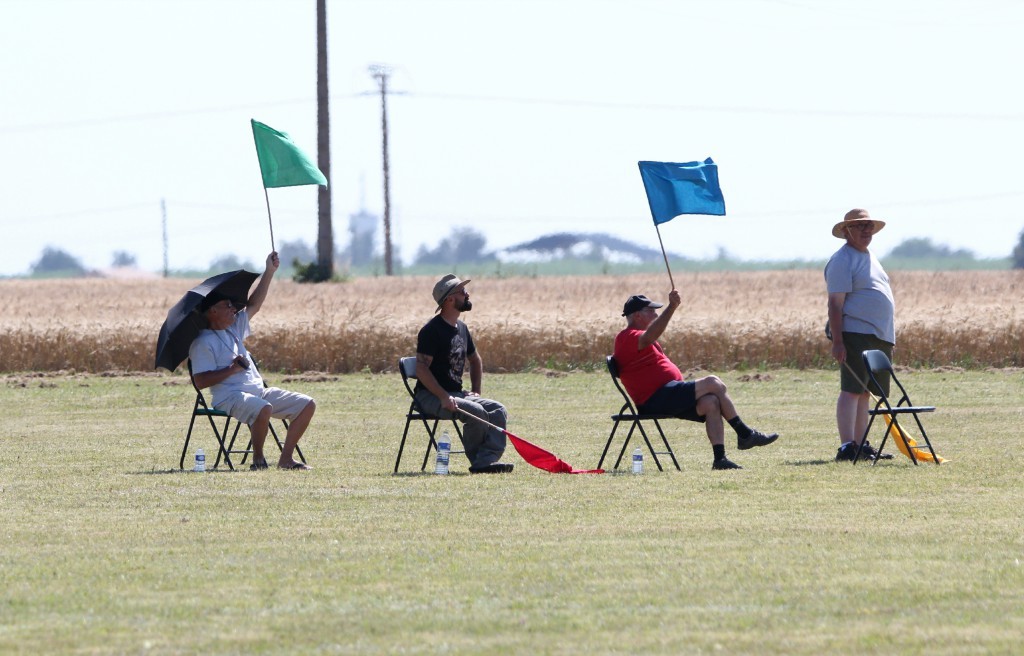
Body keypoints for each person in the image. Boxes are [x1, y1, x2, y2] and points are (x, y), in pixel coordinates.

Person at [613, 291, 778, 470]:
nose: (655, 314)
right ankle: (745, 434)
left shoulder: (639, 337)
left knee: (711, 402)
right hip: (655, 399)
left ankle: (720, 459)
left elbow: (651, 339)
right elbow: (651, 336)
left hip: (667, 395)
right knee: (713, 382)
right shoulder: (627, 337)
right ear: (637, 315)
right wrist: (672, 307)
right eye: (651, 311)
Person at [189, 251, 315, 470]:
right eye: (227, 305)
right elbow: (200, 381)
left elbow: (254, 304)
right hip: (229, 397)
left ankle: (286, 460)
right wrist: (231, 369)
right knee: (264, 408)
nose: (233, 309)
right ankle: (258, 460)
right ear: (212, 311)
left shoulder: (233, 328)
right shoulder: (202, 342)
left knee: (307, 404)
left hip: (258, 392)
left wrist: (269, 271)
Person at [414, 274, 513, 474]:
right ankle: (480, 463)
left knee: (498, 410)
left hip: (456, 393)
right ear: (450, 299)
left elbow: (475, 360)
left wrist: (476, 391)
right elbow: (421, 369)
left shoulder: (462, 328)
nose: (467, 294)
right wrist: (443, 396)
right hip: (430, 396)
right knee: (475, 412)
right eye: (461, 292)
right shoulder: (431, 331)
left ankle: (486, 460)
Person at [825, 208, 895, 462]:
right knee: (851, 390)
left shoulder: (870, 256)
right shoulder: (843, 260)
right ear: (846, 231)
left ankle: (860, 443)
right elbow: (835, 304)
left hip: (878, 335)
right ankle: (847, 446)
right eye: (859, 226)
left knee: (866, 392)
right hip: (855, 333)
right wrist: (839, 340)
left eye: (869, 227)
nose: (866, 231)